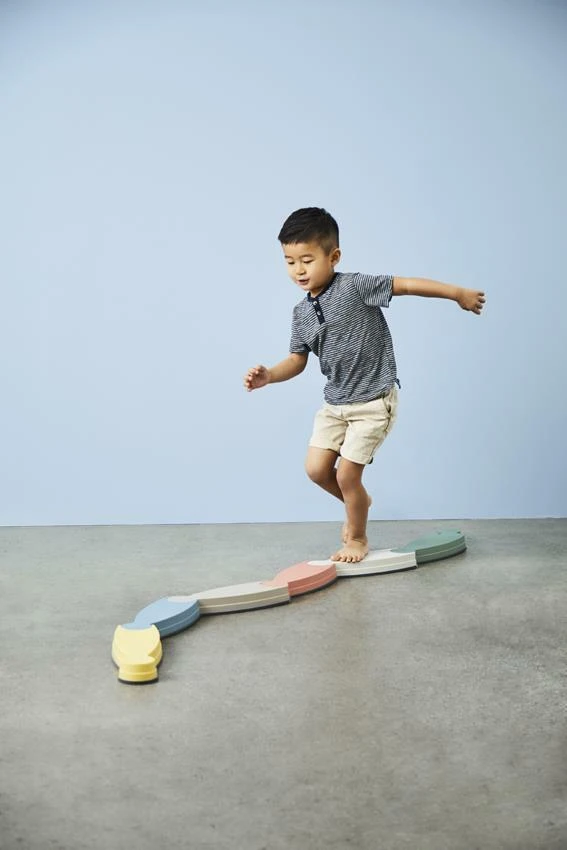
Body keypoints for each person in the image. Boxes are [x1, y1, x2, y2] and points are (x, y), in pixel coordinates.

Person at [244, 207, 485, 564]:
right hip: (335, 405)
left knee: (347, 475)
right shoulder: (300, 313)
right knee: (316, 470)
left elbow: (406, 285)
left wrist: (457, 293)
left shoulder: (356, 286)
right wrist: (269, 376)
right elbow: (297, 360)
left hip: (373, 402)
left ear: (334, 257)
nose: (298, 270)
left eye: (307, 260)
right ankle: (360, 502)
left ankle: (357, 538)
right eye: (290, 262)